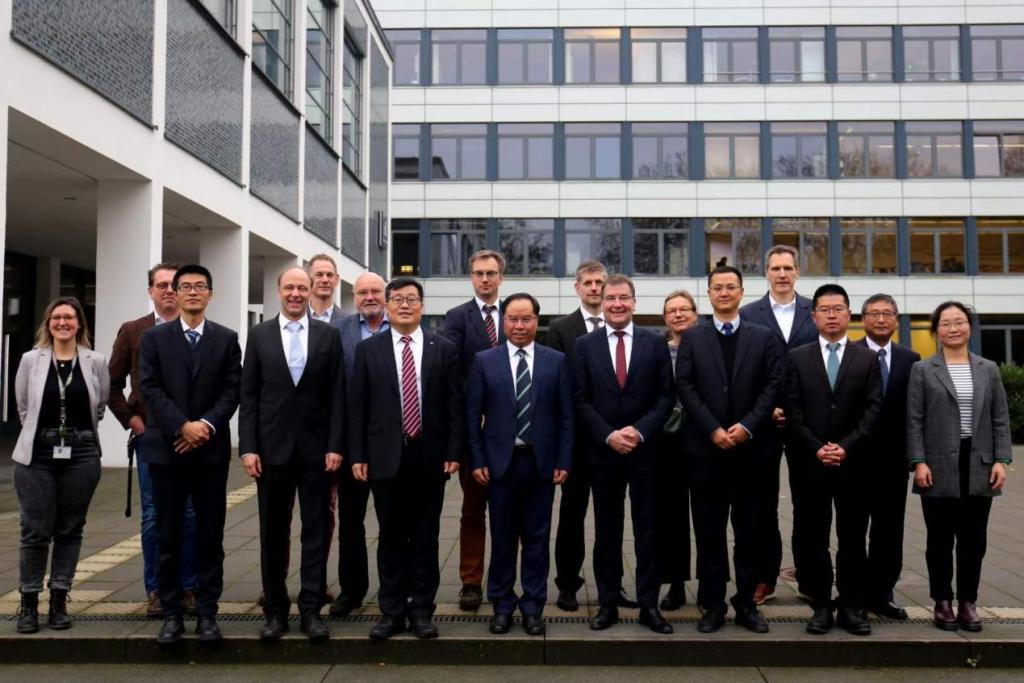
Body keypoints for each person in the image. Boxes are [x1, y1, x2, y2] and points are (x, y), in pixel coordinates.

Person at [350, 277, 463, 640]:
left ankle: (422, 611)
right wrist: (358, 454)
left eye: (411, 299)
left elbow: (454, 404)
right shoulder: (368, 350)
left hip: (430, 457)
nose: (404, 305)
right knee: (390, 536)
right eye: (397, 299)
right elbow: (358, 405)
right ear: (386, 306)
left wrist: (454, 451)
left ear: (422, 306)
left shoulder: (443, 348)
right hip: (385, 457)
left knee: (426, 536)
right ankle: (392, 611)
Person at [239, 267, 345, 642]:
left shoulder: (329, 336)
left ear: (311, 289)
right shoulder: (259, 335)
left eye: (302, 287)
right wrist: (248, 447)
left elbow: (338, 395)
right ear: (279, 290)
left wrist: (335, 445)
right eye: (290, 287)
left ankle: (311, 609)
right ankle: (275, 610)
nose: (296, 293)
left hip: (318, 452)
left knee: (315, 532)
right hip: (271, 451)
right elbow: (249, 396)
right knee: (272, 533)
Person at [676, 267, 783, 633]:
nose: (724, 293)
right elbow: (685, 386)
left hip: (751, 452)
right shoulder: (693, 338)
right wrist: (713, 429)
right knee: (709, 532)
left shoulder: (763, 337)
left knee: (749, 531)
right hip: (706, 452)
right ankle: (713, 604)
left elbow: (772, 386)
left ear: (741, 291)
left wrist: (747, 426)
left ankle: (746, 604)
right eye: (717, 287)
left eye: (730, 287)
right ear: (708, 293)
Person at [139, 264, 242, 645]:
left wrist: (204, 427)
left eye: (200, 286)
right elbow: (149, 388)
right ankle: (171, 614)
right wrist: (182, 426)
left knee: (210, 535)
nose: (193, 292)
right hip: (168, 452)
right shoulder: (154, 338)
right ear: (176, 294)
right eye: (185, 287)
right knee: (167, 534)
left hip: (210, 453)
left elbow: (232, 390)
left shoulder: (226, 339)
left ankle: (207, 612)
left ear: (210, 294)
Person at [466, 293, 573, 636]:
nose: (519, 325)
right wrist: (477, 459)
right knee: (502, 538)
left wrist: (564, 459)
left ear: (537, 321)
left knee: (537, 539)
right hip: (501, 465)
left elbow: (566, 416)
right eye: (513, 318)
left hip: (541, 464)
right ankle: (501, 604)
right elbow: (472, 417)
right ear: (503, 321)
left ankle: (533, 606)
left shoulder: (556, 361)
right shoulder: (484, 361)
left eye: (526, 319)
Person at [574, 274, 675, 634]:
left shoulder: (655, 342)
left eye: (623, 298)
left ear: (634, 302)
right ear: (601, 303)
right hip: (604, 454)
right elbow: (580, 398)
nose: (617, 304)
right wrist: (608, 435)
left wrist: (639, 430)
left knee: (649, 530)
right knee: (607, 530)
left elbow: (666, 395)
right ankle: (607, 603)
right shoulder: (585, 345)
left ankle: (649, 605)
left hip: (646, 453)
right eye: (610, 298)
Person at [907, 301, 1012, 632]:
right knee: (939, 539)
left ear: (970, 326)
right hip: (937, 465)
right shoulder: (923, 370)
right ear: (936, 330)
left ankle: (968, 602)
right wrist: (918, 461)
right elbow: (914, 420)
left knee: (974, 540)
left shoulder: (988, 368)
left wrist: (1002, 460)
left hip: (979, 464)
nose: (953, 328)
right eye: (946, 323)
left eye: (960, 322)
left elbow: (1000, 418)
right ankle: (942, 602)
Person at [785, 283, 882, 636]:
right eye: (824, 310)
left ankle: (851, 605)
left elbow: (873, 409)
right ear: (813, 317)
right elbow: (793, 409)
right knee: (812, 536)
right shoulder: (797, 357)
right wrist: (815, 447)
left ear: (849, 314)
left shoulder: (866, 359)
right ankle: (821, 605)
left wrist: (847, 446)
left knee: (853, 537)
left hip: (853, 464)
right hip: (809, 463)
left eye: (837, 309)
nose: (831, 315)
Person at [547, 260, 641, 611]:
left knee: (610, 519)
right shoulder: (561, 329)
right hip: (576, 441)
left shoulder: (625, 328)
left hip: (614, 443)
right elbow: (559, 386)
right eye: (587, 282)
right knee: (571, 516)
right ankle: (567, 584)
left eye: (599, 282)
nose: (594, 287)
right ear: (577, 287)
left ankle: (611, 587)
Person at [13, 297, 110, 634]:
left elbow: (100, 406)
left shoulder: (96, 361)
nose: (63, 323)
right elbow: (23, 408)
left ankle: (58, 600)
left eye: (69, 317)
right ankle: (28, 603)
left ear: (79, 323)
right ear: (48, 323)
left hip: (81, 455)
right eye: (57, 317)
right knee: (35, 530)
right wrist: (49, 435)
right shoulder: (30, 360)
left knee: (70, 529)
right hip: (37, 455)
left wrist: (73, 435)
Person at [108, 263, 198, 618]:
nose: (169, 291)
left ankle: (187, 587)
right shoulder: (134, 331)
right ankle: (158, 590)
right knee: (153, 516)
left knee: (189, 515)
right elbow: (111, 384)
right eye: (161, 285)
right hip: (151, 439)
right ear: (150, 291)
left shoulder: (195, 329)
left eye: (174, 285)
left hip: (190, 439)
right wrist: (132, 421)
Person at [738, 244, 818, 605]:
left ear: (798, 272)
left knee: (809, 504)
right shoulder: (748, 314)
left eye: (788, 268)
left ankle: (809, 577)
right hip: (763, 424)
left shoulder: (815, 311)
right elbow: (743, 370)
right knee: (761, 505)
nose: (782, 274)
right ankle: (764, 578)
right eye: (775, 268)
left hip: (807, 424)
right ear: (766, 273)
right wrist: (766, 408)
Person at [441, 249, 505, 611]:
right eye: (479, 273)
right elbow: (451, 374)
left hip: (512, 431)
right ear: (471, 277)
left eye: (491, 273)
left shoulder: (515, 314)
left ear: (500, 278)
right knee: (472, 511)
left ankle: (504, 581)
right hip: (473, 431)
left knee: (509, 512)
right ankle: (470, 581)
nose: (485, 279)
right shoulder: (456, 318)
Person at [853, 294, 921, 620]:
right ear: (863, 318)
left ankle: (881, 595)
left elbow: (915, 411)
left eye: (887, 314)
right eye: (874, 313)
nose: (881, 319)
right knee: (853, 533)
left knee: (889, 532)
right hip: (854, 461)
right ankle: (854, 596)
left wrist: (916, 457)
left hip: (893, 462)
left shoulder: (911, 359)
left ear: (896, 319)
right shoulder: (849, 354)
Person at [327, 271, 390, 618]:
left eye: (375, 291)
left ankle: (393, 591)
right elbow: (332, 391)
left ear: (386, 295)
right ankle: (352, 590)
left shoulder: (401, 330)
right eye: (362, 292)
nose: (369, 297)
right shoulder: (337, 332)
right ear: (353, 297)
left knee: (393, 523)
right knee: (351, 523)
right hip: (351, 444)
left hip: (392, 446)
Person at [656, 289, 698, 610]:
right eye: (672, 310)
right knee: (671, 516)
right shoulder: (656, 350)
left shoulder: (707, 346)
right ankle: (676, 583)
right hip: (666, 443)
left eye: (684, 309)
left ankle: (711, 584)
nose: (678, 314)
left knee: (708, 518)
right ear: (665, 318)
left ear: (695, 315)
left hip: (703, 439)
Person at [307, 253, 345, 323]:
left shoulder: (349, 322)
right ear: (308, 279)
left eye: (329, 275)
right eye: (319, 275)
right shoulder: (296, 317)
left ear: (336, 280)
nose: (325, 280)